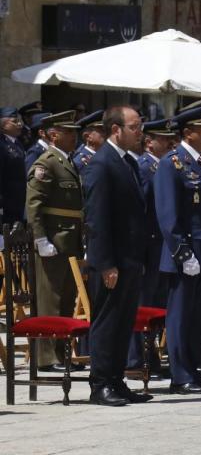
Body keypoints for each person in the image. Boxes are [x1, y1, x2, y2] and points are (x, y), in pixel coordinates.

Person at [82, 105, 150, 406]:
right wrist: (105, 263)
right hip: (112, 260)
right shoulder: (102, 164)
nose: (140, 132)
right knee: (108, 320)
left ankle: (116, 379)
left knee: (124, 322)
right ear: (116, 130)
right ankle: (100, 383)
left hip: (130, 257)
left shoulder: (127, 162)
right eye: (134, 127)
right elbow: (96, 219)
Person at [154, 104, 201, 394]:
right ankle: (179, 374)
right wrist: (183, 253)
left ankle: (194, 370)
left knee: (197, 317)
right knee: (181, 316)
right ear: (188, 132)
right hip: (185, 254)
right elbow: (168, 216)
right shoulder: (172, 163)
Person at [24, 111, 85, 372]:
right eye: (68, 132)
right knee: (50, 298)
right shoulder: (46, 163)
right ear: (53, 135)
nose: (74, 136)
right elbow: (34, 204)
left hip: (69, 240)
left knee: (67, 297)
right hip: (53, 239)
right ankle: (47, 357)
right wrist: (40, 238)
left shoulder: (66, 161)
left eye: (74, 132)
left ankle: (61, 353)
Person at [126, 118, 177, 376]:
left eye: (171, 139)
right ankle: (138, 357)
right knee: (143, 303)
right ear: (149, 143)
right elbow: (142, 211)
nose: (170, 143)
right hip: (148, 246)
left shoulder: (163, 167)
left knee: (156, 303)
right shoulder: (145, 167)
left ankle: (152, 355)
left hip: (160, 247)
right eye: (164, 139)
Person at [1, 107, 27, 225]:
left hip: (18, 201)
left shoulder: (17, 143)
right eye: (15, 121)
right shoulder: (1, 145)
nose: (20, 124)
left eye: (19, 121)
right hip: (6, 203)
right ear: (2, 124)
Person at [72, 110, 105, 175]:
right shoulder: (80, 162)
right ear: (87, 137)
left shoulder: (103, 156)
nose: (108, 134)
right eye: (103, 130)